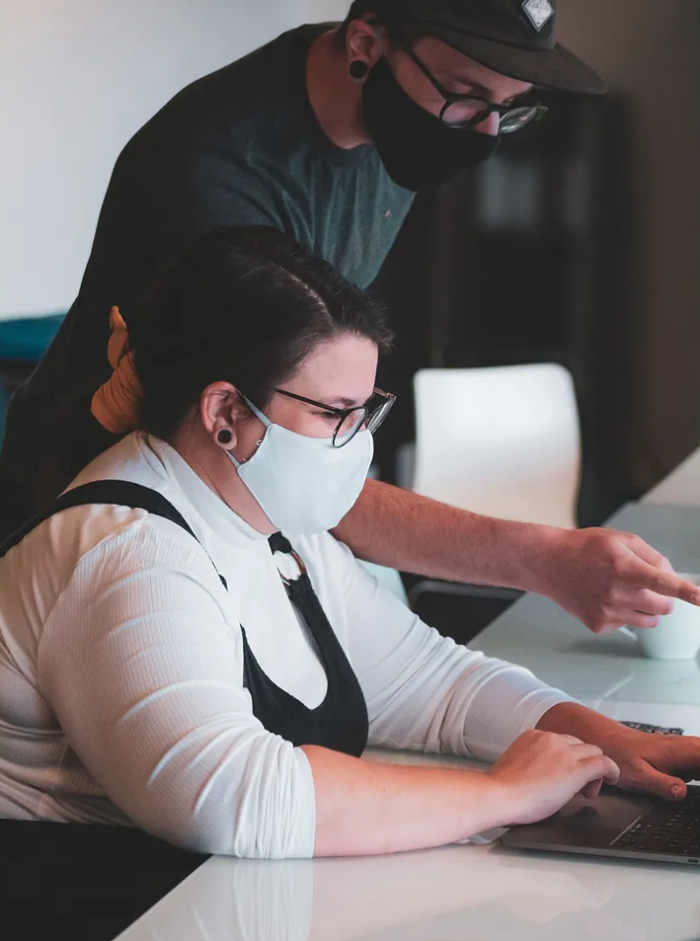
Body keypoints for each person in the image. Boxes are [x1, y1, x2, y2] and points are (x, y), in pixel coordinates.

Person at [1, 0, 697, 634]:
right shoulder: (217, 176)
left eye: (509, 109)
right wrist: (545, 559)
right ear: (366, 42)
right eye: (466, 97)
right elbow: (282, 468)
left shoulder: (386, 128)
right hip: (92, 507)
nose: (484, 132)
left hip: (225, 500)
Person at [0, 227, 698, 859]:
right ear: (225, 413)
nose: (358, 440)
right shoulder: (129, 556)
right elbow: (233, 799)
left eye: (365, 410)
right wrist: (508, 794)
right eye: (336, 413)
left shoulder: (272, 523)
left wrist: (602, 737)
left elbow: (432, 684)